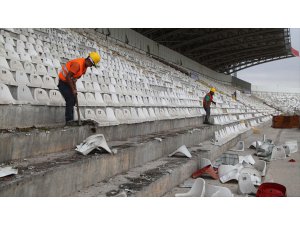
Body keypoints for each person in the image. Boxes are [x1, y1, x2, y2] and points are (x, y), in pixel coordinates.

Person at [57, 52, 101, 125]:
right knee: (70, 99)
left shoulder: (85, 67)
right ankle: (69, 121)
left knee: (73, 99)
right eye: (92, 64)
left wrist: (74, 86)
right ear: (89, 60)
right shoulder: (78, 64)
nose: (91, 66)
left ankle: (71, 119)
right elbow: (68, 77)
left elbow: (74, 78)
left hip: (68, 82)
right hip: (63, 83)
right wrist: (73, 89)